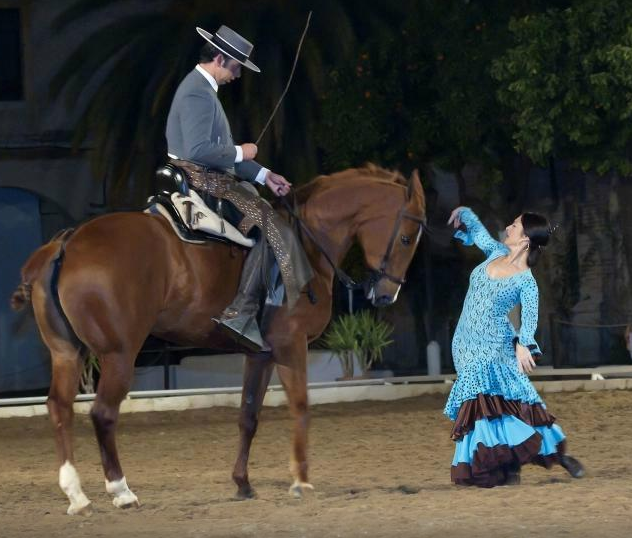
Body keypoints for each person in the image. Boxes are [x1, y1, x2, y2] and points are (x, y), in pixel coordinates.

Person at [165, 25, 312, 351]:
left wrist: (264, 175)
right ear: (220, 58)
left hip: (214, 175)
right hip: (204, 181)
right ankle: (240, 313)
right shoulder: (196, 93)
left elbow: (221, 153)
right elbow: (198, 151)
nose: (237, 76)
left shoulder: (204, 92)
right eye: (235, 68)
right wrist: (241, 152)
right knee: (273, 225)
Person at [444, 206, 584, 487]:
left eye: (515, 226)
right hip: (463, 344)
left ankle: (548, 455)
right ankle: (508, 465)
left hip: (496, 346)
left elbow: (530, 319)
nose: (508, 227)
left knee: (496, 401)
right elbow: (478, 230)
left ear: (524, 241)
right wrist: (465, 213)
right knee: (491, 402)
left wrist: (523, 344)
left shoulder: (526, 282)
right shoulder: (495, 252)